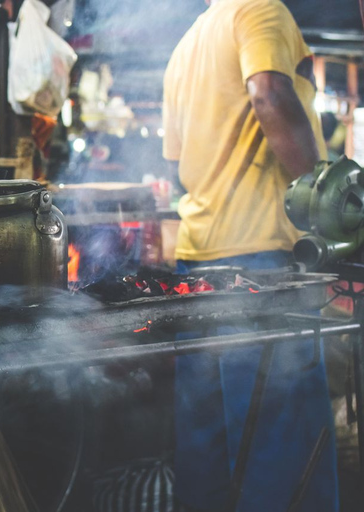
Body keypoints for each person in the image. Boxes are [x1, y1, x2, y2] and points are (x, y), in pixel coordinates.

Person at [162, 0, 337, 511]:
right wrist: (324, 203)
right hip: (260, 267)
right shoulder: (259, 10)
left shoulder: (188, 43)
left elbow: (176, 161)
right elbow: (268, 93)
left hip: (196, 263)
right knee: (281, 436)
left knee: (207, 439)